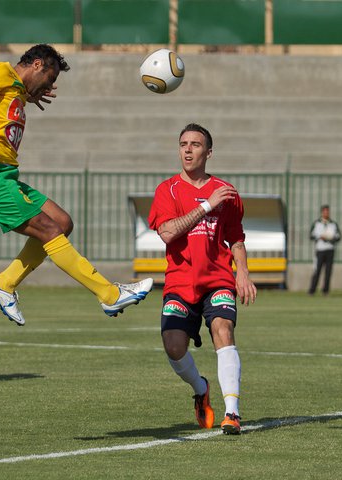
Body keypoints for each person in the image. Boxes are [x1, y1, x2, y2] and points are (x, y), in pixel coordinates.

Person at [0, 44, 153, 325]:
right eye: (51, 77)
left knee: (61, 222)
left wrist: (26, 96)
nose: (51, 84)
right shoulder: (1, 72)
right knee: (48, 229)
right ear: (37, 65)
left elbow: (7, 98)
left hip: (4, 175)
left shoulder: (16, 91)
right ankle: (109, 294)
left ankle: (5, 283)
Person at [148, 124, 257, 435]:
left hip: (217, 279)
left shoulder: (227, 191)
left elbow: (236, 238)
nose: (187, 149)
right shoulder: (167, 190)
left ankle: (232, 413)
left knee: (223, 329)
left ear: (208, 153)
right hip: (180, 282)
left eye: (195, 144)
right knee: (173, 346)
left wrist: (243, 274)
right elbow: (168, 232)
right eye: (183, 143)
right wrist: (207, 205)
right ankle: (200, 388)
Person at [308, 204, 341, 296]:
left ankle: (325, 291)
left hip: (330, 249)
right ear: (322, 212)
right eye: (324, 211)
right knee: (317, 270)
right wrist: (320, 237)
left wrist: (331, 238)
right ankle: (312, 290)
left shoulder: (333, 224)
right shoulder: (317, 223)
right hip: (320, 250)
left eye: (328, 211)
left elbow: (338, 236)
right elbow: (311, 236)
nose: (326, 213)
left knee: (328, 272)